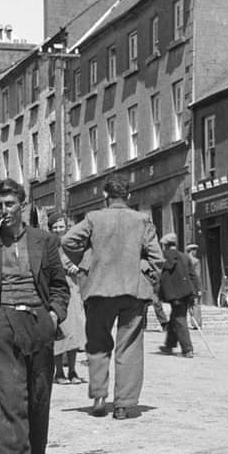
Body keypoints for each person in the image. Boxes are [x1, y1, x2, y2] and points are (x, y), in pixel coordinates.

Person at [0, 179, 70, 454]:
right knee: (9, 398)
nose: (5, 211)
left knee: (38, 395)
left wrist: (54, 315)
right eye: (0, 206)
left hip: (39, 320)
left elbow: (59, 286)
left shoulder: (45, 240)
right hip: (3, 323)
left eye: (10, 204)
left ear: (23, 206)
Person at [61, 173, 163, 419]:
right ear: (128, 196)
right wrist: (144, 271)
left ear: (105, 196)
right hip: (133, 291)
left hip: (98, 290)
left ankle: (98, 396)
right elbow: (157, 258)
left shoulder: (93, 218)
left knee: (97, 344)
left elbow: (67, 241)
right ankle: (123, 405)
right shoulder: (142, 220)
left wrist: (87, 260)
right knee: (129, 346)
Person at [49, 212, 86, 384]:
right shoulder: (49, 243)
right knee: (61, 331)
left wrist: (79, 266)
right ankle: (58, 372)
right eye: (55, 227)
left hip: (74, 289)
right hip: (57, 290)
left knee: (75, 330)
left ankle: (72, 370)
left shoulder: (74, 243)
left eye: (61, 226)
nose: (58, 229)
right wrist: (69, 265)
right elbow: (56, 257)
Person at [157, 232, 196, 357]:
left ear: (165, 245)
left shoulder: (164, 257)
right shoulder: (184, 257)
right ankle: (169, 346)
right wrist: (195, 292)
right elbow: (193, 276)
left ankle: (187, 349)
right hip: (187, 292)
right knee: (175, 318)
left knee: (179, 320)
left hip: (175, 294)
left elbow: (161, 276)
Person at [184, 243, 203, 328]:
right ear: (191, 251)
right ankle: (197, 322)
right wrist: (199, 288)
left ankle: (192, 322)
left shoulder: (183, 260)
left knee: (188, 305)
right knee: (196, 304)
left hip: (185, 285)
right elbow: (197, 276)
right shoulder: (196, 261)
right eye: (194, 250)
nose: (196, 252)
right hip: (194, 286)